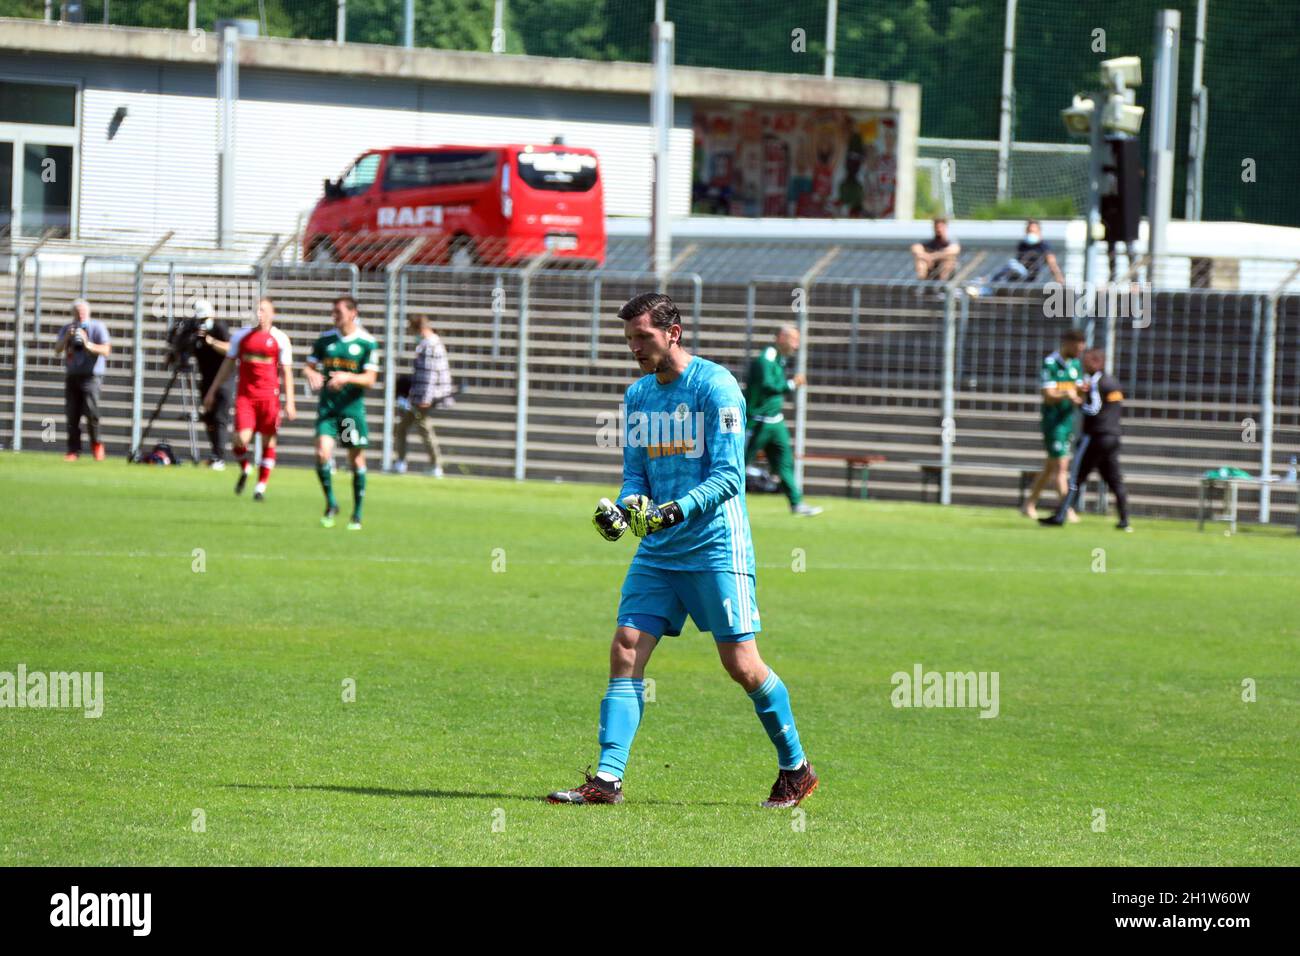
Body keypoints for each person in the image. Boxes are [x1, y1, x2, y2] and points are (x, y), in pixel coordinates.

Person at [547, 293, 818, 809]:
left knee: (741, 665)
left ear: (673, 332)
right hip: (658, 552)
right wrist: (626, 510)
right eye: (628, 339)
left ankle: (796, 767)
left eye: (642, 338)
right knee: (626, 644)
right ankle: (607, 781)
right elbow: (635, 475)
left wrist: (674, 509)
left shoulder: (715, 387)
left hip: (716, 547)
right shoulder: (638, 395)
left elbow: (729, 477)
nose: (634, 348)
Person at [203, 297, 296, 501]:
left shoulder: (280, 339)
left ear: (272, 314)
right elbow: (228, 365)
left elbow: (286, 372)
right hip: (246, 397)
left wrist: (290, 401)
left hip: (269, 398)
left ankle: (260, 487)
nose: (260, 314)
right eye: (257, 310)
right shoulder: (242, 336)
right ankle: (246, 468)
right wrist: (212, 390)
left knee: (268, 442)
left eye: (264, 310)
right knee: (240, 440)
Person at [303, 295, 379, 531]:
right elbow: (308, 366)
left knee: (355, 460)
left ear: (353, 313)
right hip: (328, 410)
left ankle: (357, 514)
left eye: (339, 311)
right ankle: (331, 504)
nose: (334, 315)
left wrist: (347, 377)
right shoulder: (325, 340)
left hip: (350, 412)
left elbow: (370, 379)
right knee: (322, 453)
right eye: (333, 311)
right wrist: (311, 374)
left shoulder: (366, 343)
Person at [1040, 348, 1131, 531]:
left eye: (1087, 361)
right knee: (1114, 480)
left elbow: (1094, 409)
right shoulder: (1113, 382)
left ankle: (1060, 516)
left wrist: (1079, 403)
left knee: (1075, 478)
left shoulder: (1096, 381)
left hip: (1095, 437)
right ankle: (1124, 521)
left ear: (1096, 362)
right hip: (1113, 436)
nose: (1083, 364)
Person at [744, 326, 822, 516]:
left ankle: (796, 503)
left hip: (775, 421)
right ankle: (721, 503)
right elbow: (767, 385)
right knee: (739, 463)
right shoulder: (766, 358)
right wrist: (791, 384)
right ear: (781, 338)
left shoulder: (779, 358)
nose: (796, 346)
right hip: (758, 421)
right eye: (793, 340)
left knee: (784, 462)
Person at [1022, 328, 1086, 520]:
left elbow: (1079, 395)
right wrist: (1066, 394)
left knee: (1051, 466)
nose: (1078, 352)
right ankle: (1067, 510)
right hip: (1053, 422)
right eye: (1076, 348)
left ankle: (1029, 504)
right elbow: (1048, 396)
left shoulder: (1075, 364)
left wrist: (1082, 392)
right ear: (1067, 343)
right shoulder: (1050, 363)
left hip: (1068, 420)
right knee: (1061, 465)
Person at [393, 314, 454, 477]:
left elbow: (430, 375)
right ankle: (403, 461)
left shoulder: (430, 345)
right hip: (422, 396)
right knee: (404, 428)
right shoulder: (431, 344)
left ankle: (435, 465)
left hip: (425, 397)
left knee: (422, 429)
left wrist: (424, 399)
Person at [54, 299, 112, 462]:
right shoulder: (68, 328)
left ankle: (97, 445)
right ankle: (73, 450)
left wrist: (88, 344)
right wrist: (67, 337)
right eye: (77, 312)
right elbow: (57, 350)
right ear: (73, 314)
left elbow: (106, 350)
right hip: (72, 376)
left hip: (91, 377)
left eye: (83, 312)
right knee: (72, 414)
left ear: (88, 313)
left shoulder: (97, 327)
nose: (80, 315)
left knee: (91, 412)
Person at [968, 219, 1065, 294]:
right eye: (1028, 231)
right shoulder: (1023, 244)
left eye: (1032, 231)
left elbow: (1052, 263)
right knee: (1006, 270)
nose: (1030, 234)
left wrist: (1059, 277)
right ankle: (983, 284)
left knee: (1011, 265)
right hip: (1017, 273)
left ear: (1039, 232)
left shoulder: (1044, 246)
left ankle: (987, 287)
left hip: (1029, 275)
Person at [190, 300, 233, 469]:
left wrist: (211, 341)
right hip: (206, 379)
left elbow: (230, 349)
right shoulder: (195, 332)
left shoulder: (219, 327)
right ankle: (215, 453)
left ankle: (219, 457)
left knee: (219, 417)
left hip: (223, 380)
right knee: (208, 417)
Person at [911, 216, 961, 281]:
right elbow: (916, 247)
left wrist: (932, 257)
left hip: (946, 269)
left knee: (948, 260)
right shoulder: (930, 242)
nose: (938, 230)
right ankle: (921, 283)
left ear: (945, 227)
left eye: (941, 227)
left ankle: (941, 285)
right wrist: (925, 257)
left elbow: (953, 251)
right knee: (920, 261)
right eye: (936, 227)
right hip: (931, 266)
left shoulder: (950, 241)